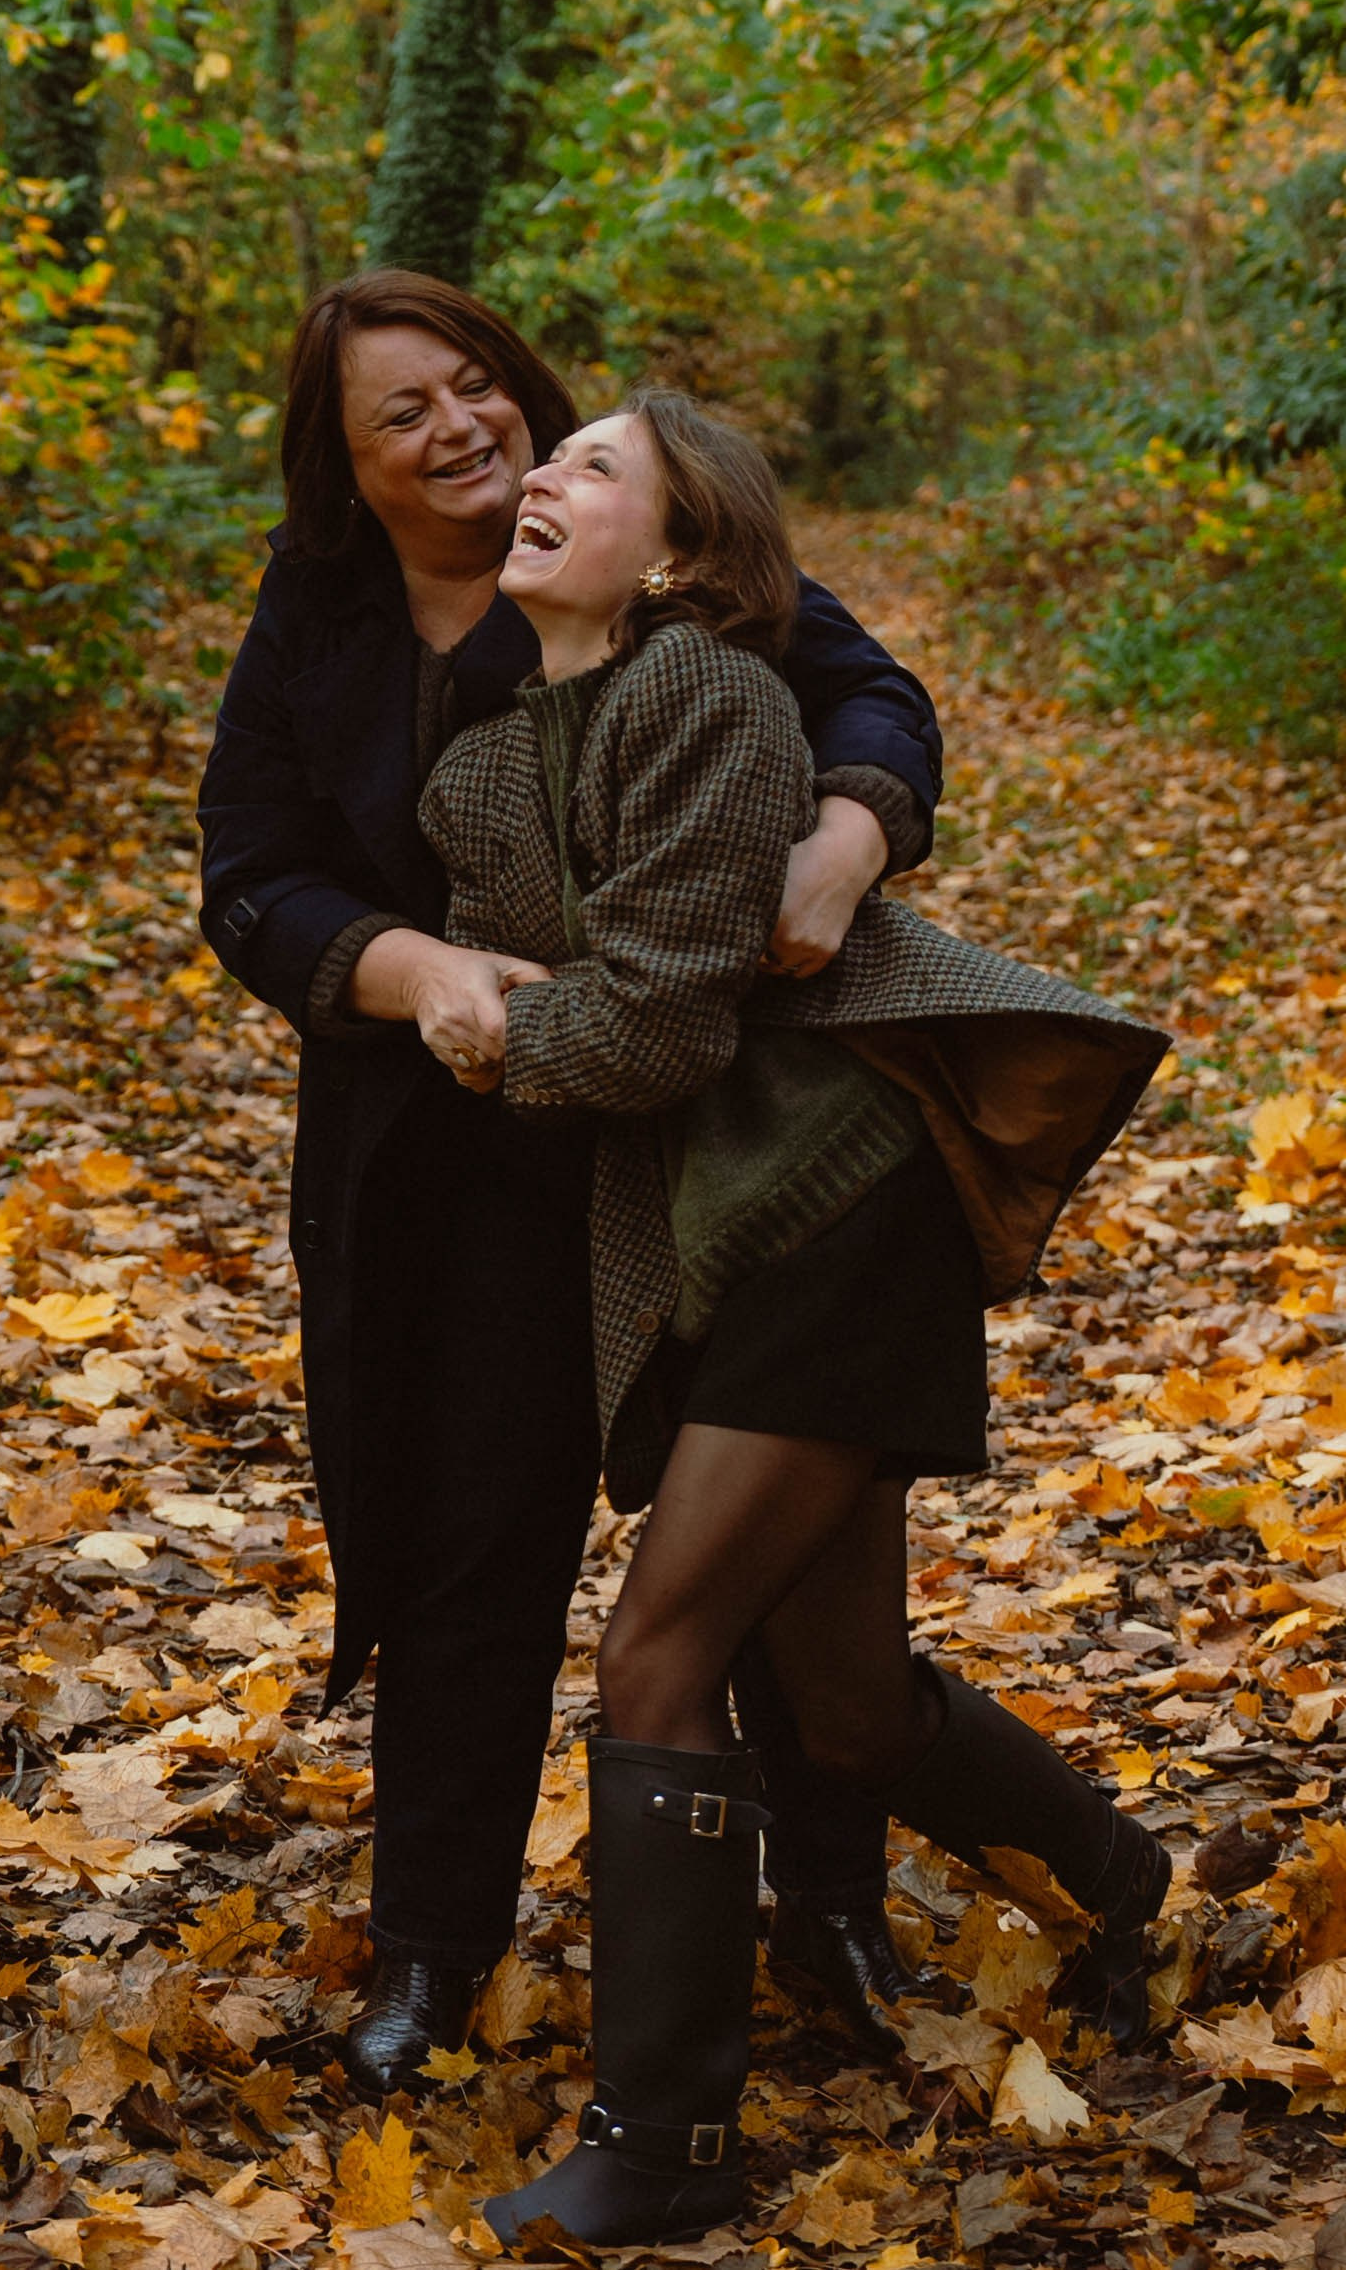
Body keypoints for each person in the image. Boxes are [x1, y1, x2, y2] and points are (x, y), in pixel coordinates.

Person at [410, 389, 1172, 2251]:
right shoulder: (487, 762)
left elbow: (649, 1021)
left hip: (834, 1204)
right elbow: (575, 984)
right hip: (711, 1229)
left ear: (674, 552)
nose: (543, 478)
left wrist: (496, 1032)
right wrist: (468, 995)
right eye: (552, 456)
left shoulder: (708, 697)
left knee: (659, 1654)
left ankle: (665, 2144)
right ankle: (1119, 1869)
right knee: (836, 1711)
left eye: (596, 466)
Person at [196, 272, 950, 2089]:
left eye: (477, 387)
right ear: (346, 465)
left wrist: (840, 849)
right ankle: (433, 1951)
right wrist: (418, 972)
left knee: (769, 1550)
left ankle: (830, 1904)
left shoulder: (647, 541)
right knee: (469, 1547)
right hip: (457, 1155)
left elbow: (871, 692)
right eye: (405, 413)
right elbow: (252, 873)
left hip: (713, 1142)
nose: (460, 428)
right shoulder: (321, 616)